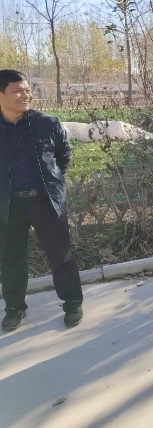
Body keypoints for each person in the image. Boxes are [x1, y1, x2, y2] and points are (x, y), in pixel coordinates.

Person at [0, 69, 84, 331]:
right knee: (11, 258)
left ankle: (72, 302)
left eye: (27, 90)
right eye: (17, 91)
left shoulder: (46, 123)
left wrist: (53, 182)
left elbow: (62, 156)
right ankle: (14, 308)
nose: (25, 95)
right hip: (9, 205)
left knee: (61, 254)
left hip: (46, 201)